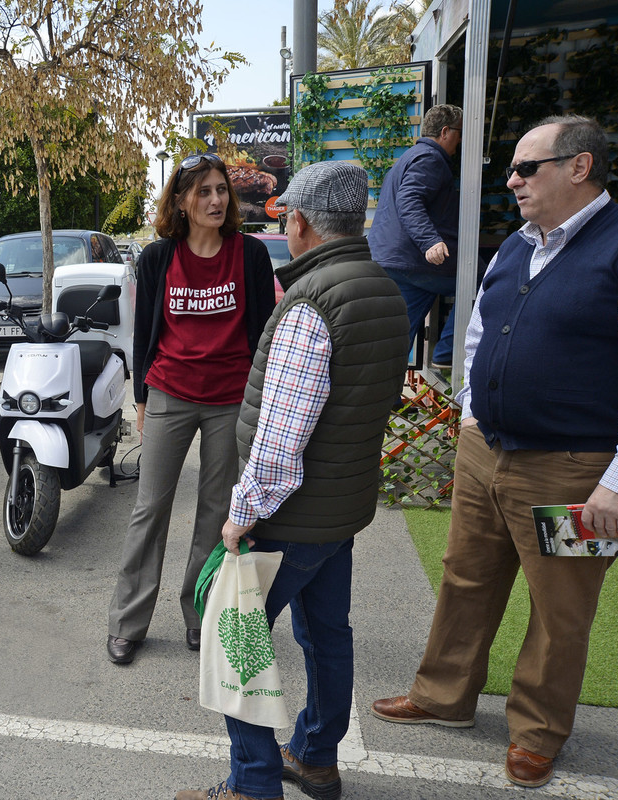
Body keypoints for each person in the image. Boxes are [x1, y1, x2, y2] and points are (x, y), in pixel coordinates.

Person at [371, 115, 618, 790]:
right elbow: (479, 327)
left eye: (525, 168)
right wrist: (468, 410)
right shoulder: (515, 245)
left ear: (578, 167)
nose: (510, 181)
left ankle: (538, 733)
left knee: (560, 606)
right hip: (485, 450)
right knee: (464, 574)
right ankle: (442, 695)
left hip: (574, 467)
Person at [176, 161, 408, 800]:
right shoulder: (383, 290)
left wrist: (239, 517)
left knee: (237, 637)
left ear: (300, 222)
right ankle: (315, 757)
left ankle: (252, 785)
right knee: (327, 633)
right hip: (342, 511)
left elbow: (281, 444)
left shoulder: (310, 306)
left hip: (289, 518)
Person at [106, 152, 276, 664]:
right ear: (181, 202)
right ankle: (127, 621)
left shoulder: (249, 255)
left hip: (231, 400)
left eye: (221, 190)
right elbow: (144, 334)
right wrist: (140, 398)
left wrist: (261, 399)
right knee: (149, 508)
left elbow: (264, 334)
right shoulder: (158, 257)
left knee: (215, 513)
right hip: (169, 394)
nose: (216, 200)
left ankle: (201, 614)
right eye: (203, 192)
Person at [367, 104, 462, 367]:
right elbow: (409, 201)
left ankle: (386, 397)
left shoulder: (410, 156)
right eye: (459, 132)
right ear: (445, 132)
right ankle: (447, 353)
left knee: (400, 334)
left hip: (395, 259)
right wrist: (430, 241)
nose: (461, 139)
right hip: (414, 257)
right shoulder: (431, 159)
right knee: (480, 282)